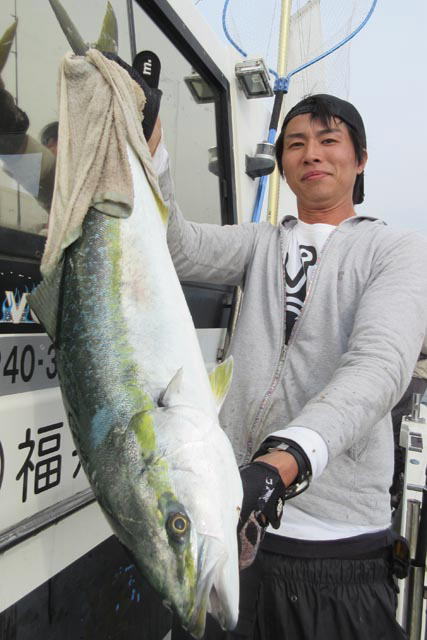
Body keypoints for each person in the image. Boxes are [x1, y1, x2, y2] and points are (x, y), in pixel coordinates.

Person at [150, 93, 427, 640]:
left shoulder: (396, 249)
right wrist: (153, 150)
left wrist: (285, 461)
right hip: (230, 524)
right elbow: (175, 246)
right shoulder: (259, 242)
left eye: (329, 140)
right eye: (295, 144)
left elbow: (380, 364)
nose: (311, 154)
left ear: (360, 159)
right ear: (282, 163)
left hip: (335, 547)